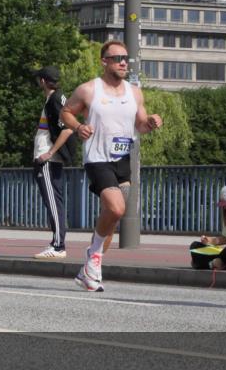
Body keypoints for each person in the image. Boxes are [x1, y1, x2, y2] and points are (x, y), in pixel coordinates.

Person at [61, 40, 163, 292]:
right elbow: (66, 112)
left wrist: (151, 123)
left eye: (125, 58)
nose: (123, 63)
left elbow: (140, 125)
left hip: (122, 160)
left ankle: (89, 269)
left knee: (112, 217)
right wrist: (78, 127)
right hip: (97, 158)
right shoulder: (88, 90)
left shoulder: (134, 92)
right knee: (116, 208)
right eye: (117, 58)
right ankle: (93, 256)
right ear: (104, 61)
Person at [32, 66, 76, 259]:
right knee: (54, 200)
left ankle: (58, 245)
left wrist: (49, 153)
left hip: (48, 160)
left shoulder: (55, 100)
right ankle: (56, 243)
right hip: (50, 159)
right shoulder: (59, 98)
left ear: (43, 81)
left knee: (53, 201)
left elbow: (68, 129)